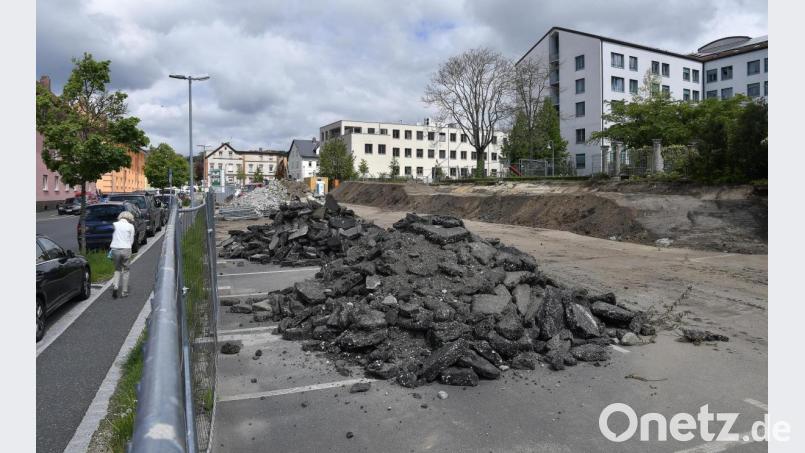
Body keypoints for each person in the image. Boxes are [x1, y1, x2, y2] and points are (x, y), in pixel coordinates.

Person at [110, 210, 136, 298]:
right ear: (129, 218)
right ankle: (124, 292)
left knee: (117, 269)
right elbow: (131, 240)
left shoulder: (115, 224)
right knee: (126, 270)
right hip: (126, 249)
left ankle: (115, 286)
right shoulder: (131, 226)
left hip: (115, 249)